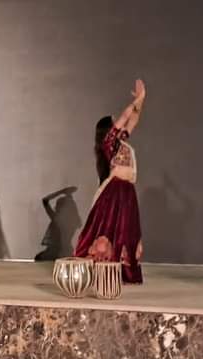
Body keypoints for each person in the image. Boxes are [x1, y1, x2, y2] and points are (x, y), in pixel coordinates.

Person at [74, 79, 146, 284]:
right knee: (112, 228)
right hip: (115, 192)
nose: (118, 124)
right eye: (114, 123)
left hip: (127, 191)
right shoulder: (109, 144)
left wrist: (141, 101)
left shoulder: (120, 142)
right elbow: (125, 117)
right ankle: (103, 267)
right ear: (107, 130)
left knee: (126, 230)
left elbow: (133, 120)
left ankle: (122, 272)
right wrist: (137, 99)